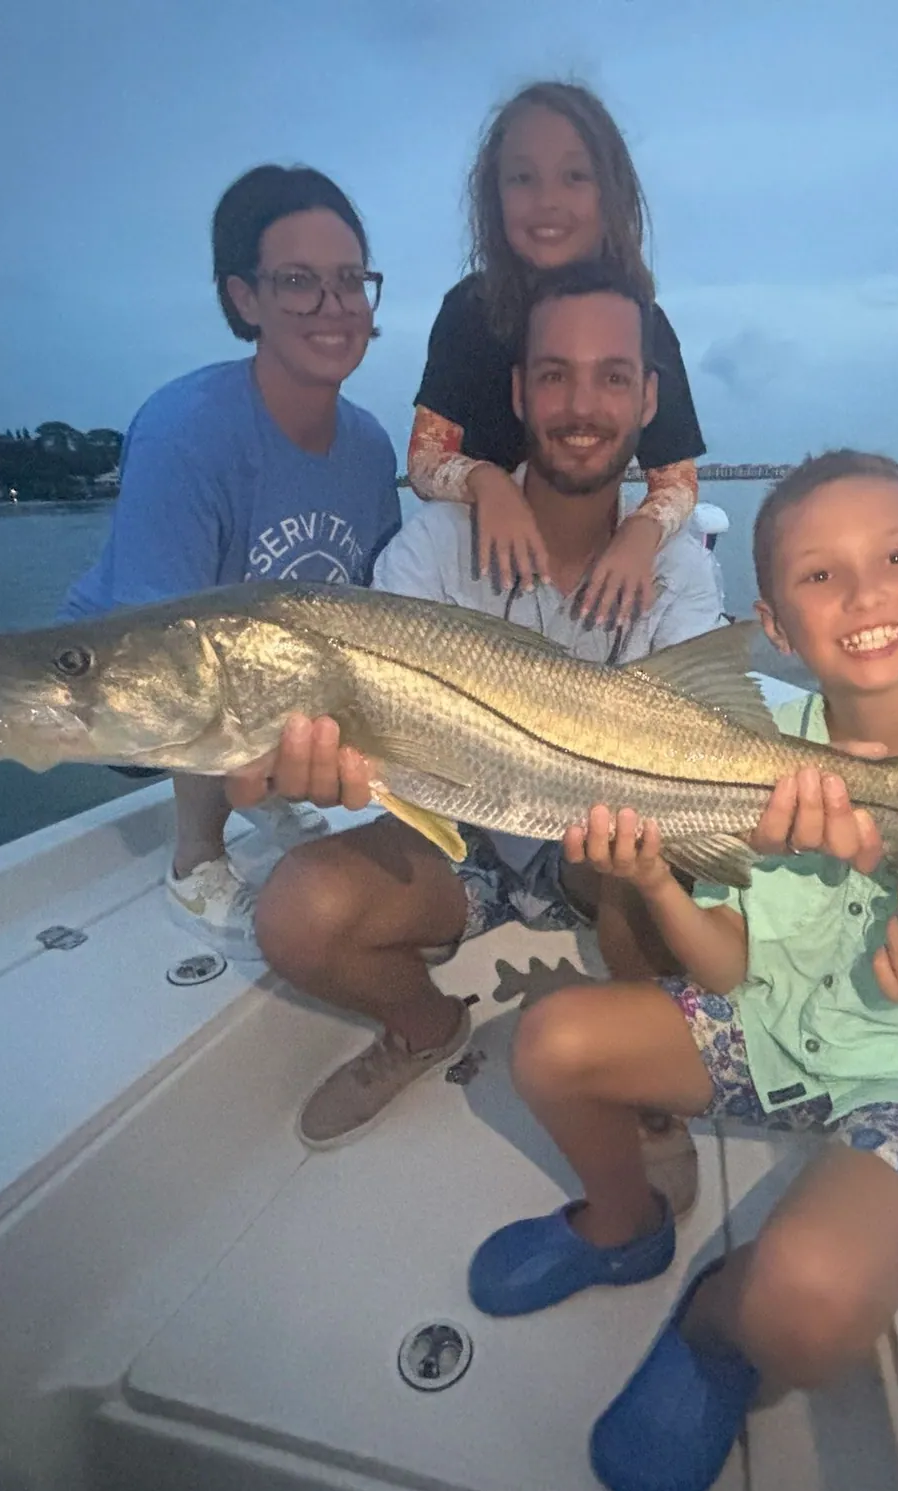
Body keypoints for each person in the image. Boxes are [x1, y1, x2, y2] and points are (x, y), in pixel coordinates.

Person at [461, 451, 898, 1491]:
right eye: (819, 574)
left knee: (802, 1311)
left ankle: (716, 1327)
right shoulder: (741, 747)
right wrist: (656, 882)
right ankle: (623, 1228)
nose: (863, 593)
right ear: (772, 623)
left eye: (894, 558)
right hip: (759, 1027)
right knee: (548, 1042)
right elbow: (727, 962)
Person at [231, 264, 724, 1215]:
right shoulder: (431, 549)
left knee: (647, 855)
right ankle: (425, 1028)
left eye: (613, 377)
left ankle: (645, 1084)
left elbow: (700, 746)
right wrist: (313, 770)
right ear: (518, 393)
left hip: (600, 853)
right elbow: (357, 741)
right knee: (296, 911)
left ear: (648, 400)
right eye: (555, 375)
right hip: (459, 838)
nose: (581, 406)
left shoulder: (677, 568)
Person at [60, 165, 401, 959]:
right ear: (244, 298)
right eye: (298, 282)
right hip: (126, 679)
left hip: (271, 665)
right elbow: (167, 640)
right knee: (211, 656)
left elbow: (368, 611)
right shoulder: (186, 431)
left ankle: (265, 791)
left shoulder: (369, 445)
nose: (333, 305)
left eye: (350, 280)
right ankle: (195, 863)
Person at [406, 80, 706, 635]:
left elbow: (677, 479)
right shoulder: (470, 312)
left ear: (611, 192)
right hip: (481, 573)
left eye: (574, 176)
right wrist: (488, 485)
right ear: (494, 195)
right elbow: (424, 461)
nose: (548, 200)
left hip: (591, 555)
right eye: (523, 178)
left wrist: (640, 534)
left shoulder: (644, 323)